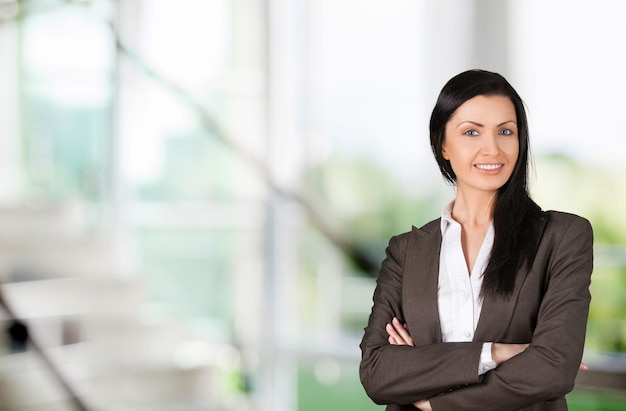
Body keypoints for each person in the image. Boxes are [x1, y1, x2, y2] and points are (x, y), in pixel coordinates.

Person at [359, 69, 593, 411]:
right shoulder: (406, 252)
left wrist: (431, 399)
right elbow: (377, 372)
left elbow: (553, 370)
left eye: (505, 132)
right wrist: (498, 352)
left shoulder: (562, 238)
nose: (492, 148)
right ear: (443, 145)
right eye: (471, 132)